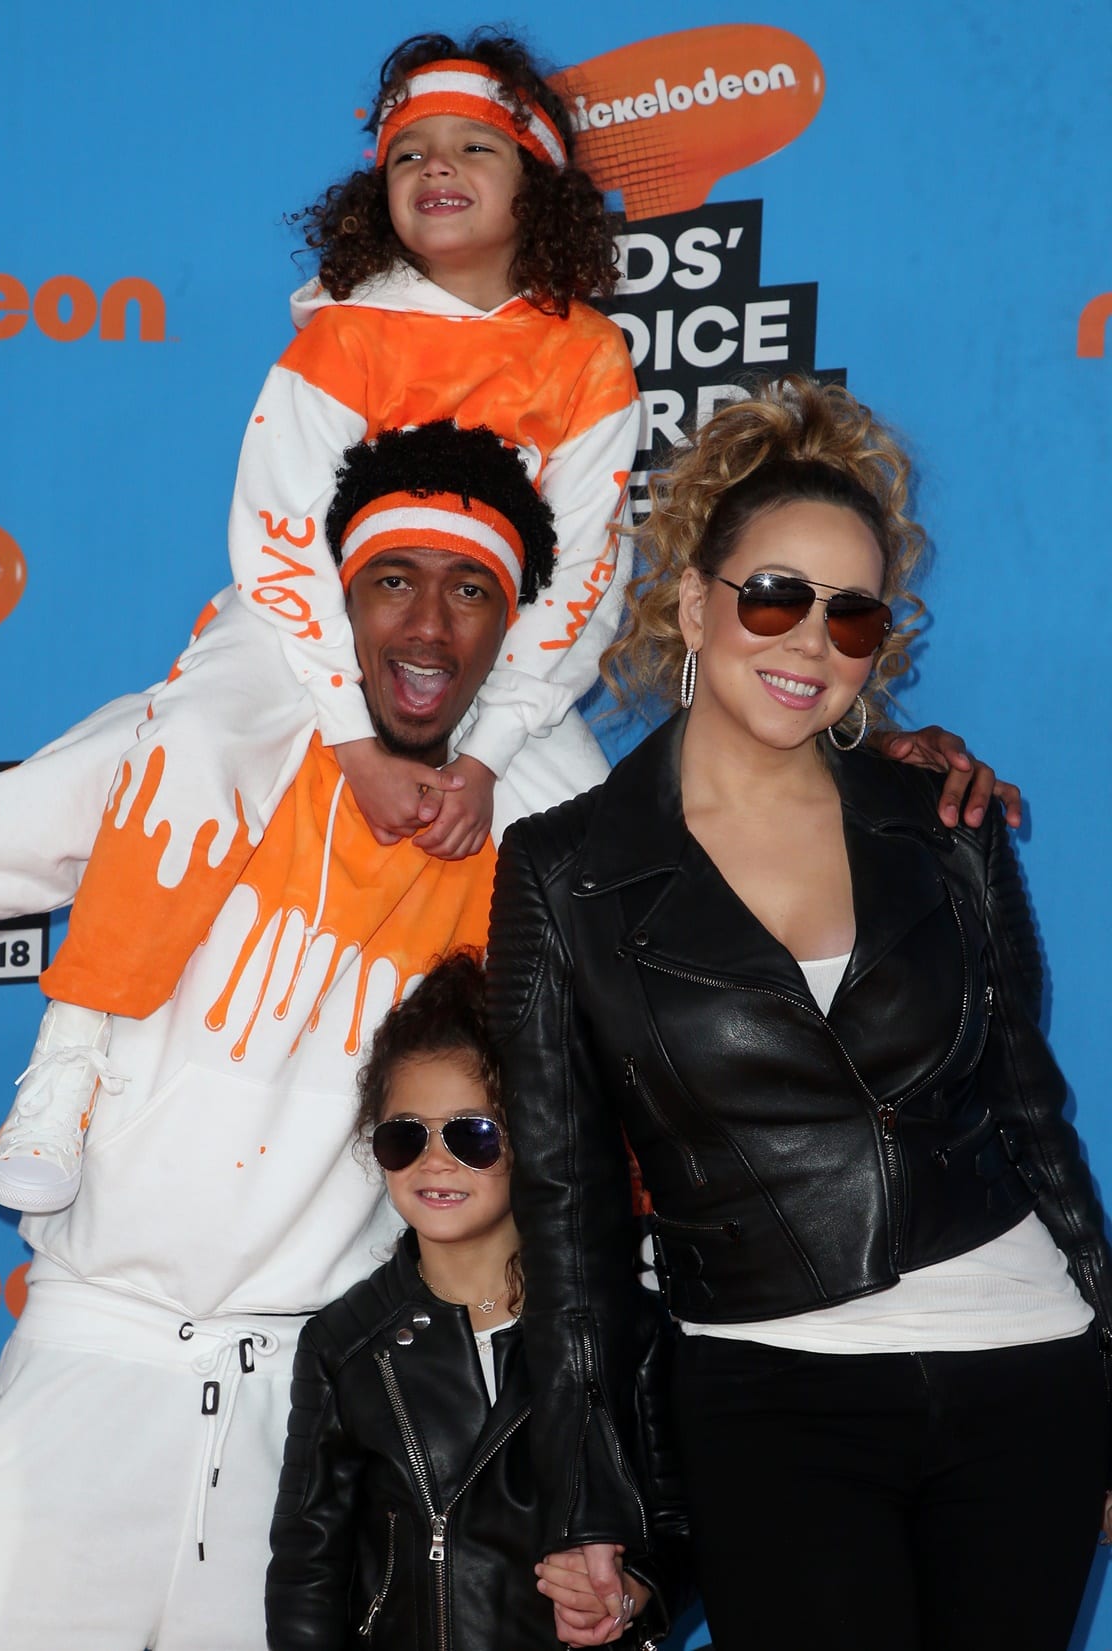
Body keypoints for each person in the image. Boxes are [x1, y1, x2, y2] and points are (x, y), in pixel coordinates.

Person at [0, 421, 605, 1651]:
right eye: (393, 581)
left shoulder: (539, 819)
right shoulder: (201, 747)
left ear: (517, 629)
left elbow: (689, 911)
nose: (429, 627)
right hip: (88, 1369)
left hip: (324, 1428)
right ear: (335, 599)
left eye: (472, 591)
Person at [485, 376, 1112, 1651]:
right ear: (691, 606)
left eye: (853, 615)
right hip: (772, 1394)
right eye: (773, 595)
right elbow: (567, 1212)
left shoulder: (939, 822)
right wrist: (586, 1495)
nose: (808, 643)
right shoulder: (567, 871)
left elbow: (1029, 1111)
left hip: (1028, 1370)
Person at [0, 27, 642, 1217]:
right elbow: (280, 531)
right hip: (302, 640)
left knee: (601, 863)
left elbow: (583, 574)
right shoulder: (344, 331)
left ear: (535, 180)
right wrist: (350, 734)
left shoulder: (588, 357)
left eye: (474, 147)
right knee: (178, 760)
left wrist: (489, 755)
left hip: (490, 672)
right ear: (373, 193)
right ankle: (69, 1061)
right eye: (409, 155)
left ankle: (623, 1189)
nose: (437, 170)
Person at [266, 949, 682, 1650]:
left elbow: (677, 1522)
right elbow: (308, 1569)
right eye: (406, 1135)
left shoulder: (625, 1329)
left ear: (537, 1137)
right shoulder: (344, 1344)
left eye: (472, 1133)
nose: (435, 1159)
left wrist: (635, 1591)